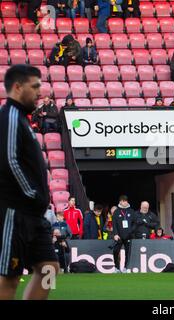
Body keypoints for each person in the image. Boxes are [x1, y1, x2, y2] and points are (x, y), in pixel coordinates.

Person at [0, 65, 59, 300]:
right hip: (15, 212)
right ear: (17, 87)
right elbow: (8, 161)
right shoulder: (10, 118)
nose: (39, 91)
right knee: (10, 277)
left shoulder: (23, 120)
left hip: (34, 215)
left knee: (49, 269)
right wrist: (32, 193)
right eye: (34, 86)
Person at [112, 195, 136, 273]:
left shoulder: (131, 211)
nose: (125, 202)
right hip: (119, 236)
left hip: (128, 236)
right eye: (123, 201)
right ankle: (116, 267)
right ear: (120, 202)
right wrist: (115, 234)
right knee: (115, 251)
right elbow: (114, 224)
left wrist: (130, 231)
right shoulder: (116, 212)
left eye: (126, 201)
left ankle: (126, 268)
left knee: (128, 252)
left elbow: (134, 223)